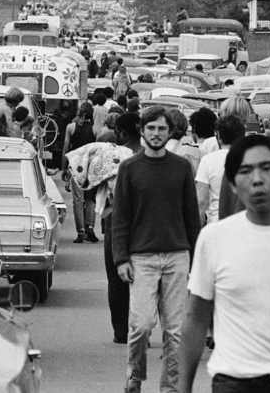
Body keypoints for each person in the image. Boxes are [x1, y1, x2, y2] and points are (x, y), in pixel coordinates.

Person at [178, 134, 270, 393]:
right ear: (232, 184)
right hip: (234, 380)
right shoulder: (214, 238)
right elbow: (196, 319)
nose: (257, 179)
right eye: (245, 171)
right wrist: (182, 387)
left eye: (267, 168)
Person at [112, 106, 200, 393]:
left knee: (175, 332)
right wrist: (121, 258)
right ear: (142, 130)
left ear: (169, 132)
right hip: (141, 258)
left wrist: (197, 259)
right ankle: (135, 377)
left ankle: (170, 388)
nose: (156, 133)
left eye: (162, 129)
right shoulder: (129, 168)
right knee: (141, 326)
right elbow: (120, 218)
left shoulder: (182, 167)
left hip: (177, 256)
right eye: (151, 128)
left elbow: (191, 216)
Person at [103, 113, 142, 345]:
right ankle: (139, 329)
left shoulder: (113, 157)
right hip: (142, 225)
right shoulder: (148, 157)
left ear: (121, 132)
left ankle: (121, 331)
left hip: (115, 222)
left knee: (116, 280)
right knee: (142, 280)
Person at [196, 116, 245, 225]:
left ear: (218, 136)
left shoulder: (208, 160)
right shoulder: (250, 159)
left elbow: (201, 201)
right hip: (245, 223)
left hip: (216, 222)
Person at [62, 101, 98, 243]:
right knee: (90, 199)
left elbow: (66, 148)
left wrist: (64, 168)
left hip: (76, 165)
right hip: (90, 166)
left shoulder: (71, 127)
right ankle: (90, 227)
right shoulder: (96, 130)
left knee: (78, 200)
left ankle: (81, 231)